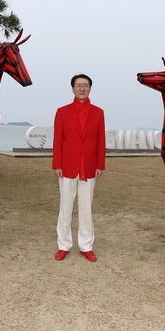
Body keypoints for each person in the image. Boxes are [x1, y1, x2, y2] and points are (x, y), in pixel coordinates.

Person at [52, 74, 106, 262]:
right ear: (73, 89)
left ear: (90, 88)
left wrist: (100, 164)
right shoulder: (62, 111)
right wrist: (57, 163)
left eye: (85, 85)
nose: (82, 88)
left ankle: (86, 246)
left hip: (90, 167)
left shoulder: (98, 112)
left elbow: (100, 141)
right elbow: (58, 139)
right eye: (78, 85)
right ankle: (63, 244)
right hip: (67, 165)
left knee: (86, 208)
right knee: (65, 207)